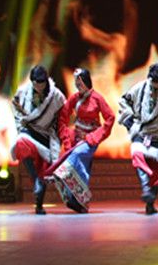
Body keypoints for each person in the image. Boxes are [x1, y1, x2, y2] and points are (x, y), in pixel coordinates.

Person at [47, 68, 115, 213]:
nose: (78, 86)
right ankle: (79, 202)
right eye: (76, 84)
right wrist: (66, 137)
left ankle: (63, 173)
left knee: (77, 155)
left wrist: (95, 137)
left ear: (86, 82)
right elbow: (63, 116)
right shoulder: (75, 98)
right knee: (83, 168)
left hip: (90, 140)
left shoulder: (97, 98)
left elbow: (110, 117)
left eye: (80, 83)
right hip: (76, 137)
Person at [11, 65, 66, 215]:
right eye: (35, 83)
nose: (38, 87)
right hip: (29, 130)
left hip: (47, 134)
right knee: (21, 142)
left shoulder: (57, 96)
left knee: (43, 169)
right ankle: (35, 179)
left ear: (46, 81)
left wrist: (62, 137)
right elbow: (16, 109)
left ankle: (39, 205)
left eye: (41, 83)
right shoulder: (23, 91)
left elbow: (63, 117)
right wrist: (21, 124)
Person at [119, 64, 158, 214]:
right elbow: (124, 101)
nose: (155, 86)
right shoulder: (139, 88)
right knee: (137, 155)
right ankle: (146, 187)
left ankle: (150, 201)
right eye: (153, 82)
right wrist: (130, 123)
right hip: (140, 132)